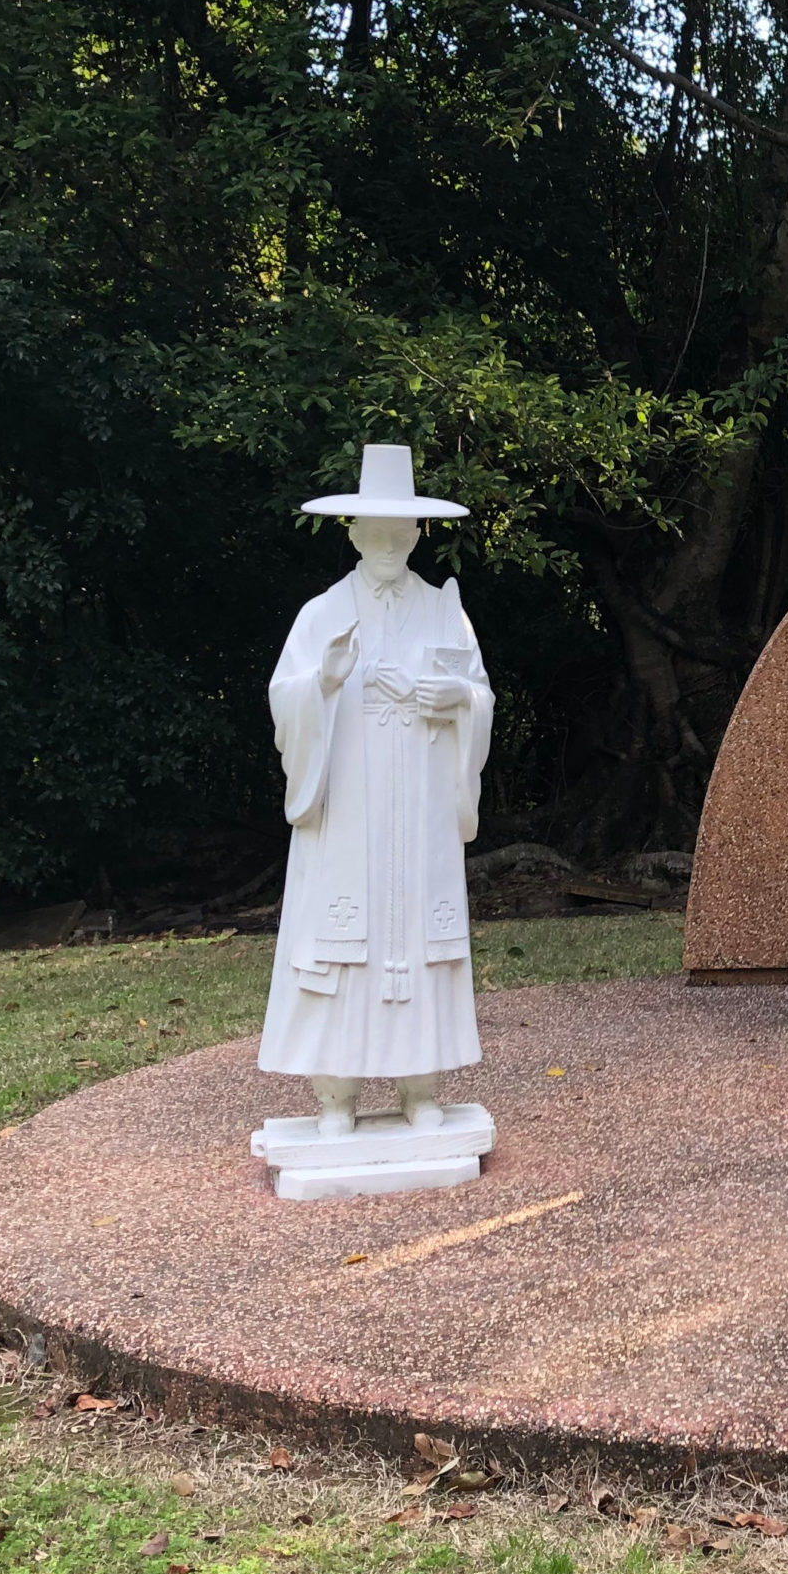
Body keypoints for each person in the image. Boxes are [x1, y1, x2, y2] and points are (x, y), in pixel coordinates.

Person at [258, 443, 493, 1136]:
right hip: (348, 809)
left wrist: (456, 698)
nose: (389, 545)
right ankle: (336, 1095)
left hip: (420, 805)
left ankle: (422, 1086)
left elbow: (479, 694)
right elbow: (284, 698)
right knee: (339, 943)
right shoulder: (322, 614)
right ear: (354, 533)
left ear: (418, 536)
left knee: (420, 935)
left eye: (401, 533)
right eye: (376, 532)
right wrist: (323, 683)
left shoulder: (445, 612)